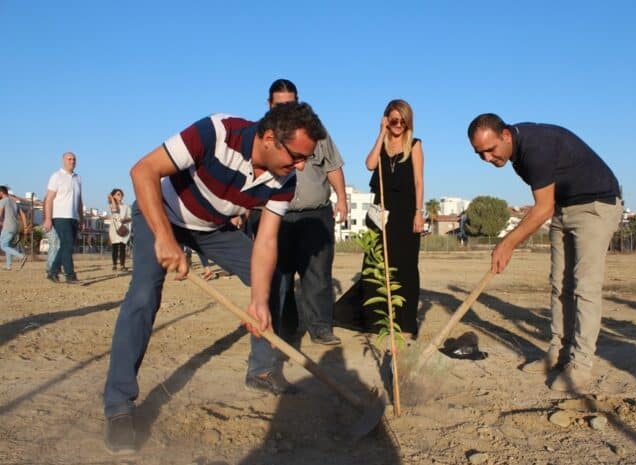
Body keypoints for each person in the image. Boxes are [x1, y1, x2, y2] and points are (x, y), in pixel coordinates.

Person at [102, 102, 326, 455]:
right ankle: (118, 405)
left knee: (274, 279)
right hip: (159, 214)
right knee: (144, 295)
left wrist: (258, 300)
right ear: (269, 138)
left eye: (305, 159)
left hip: (211, 229)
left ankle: (261, 371)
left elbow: (266, 240)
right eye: (297, 156)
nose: (300, 166)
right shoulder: (216, 132)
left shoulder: (286, 178)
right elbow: (142, 171)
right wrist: (164, 237)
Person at [467, 114, 623, 394]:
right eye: (480, 154)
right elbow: (548, 203)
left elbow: (542, 209)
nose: (488, 158)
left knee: (584, 286)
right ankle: (558, 353)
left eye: (490, 150)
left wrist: (507, 243)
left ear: (505, 135)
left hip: (596, 206)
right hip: (564, 208)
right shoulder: (518, 157)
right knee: (559, 284)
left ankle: (581, 365)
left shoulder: (534, 148)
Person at [259, 79, 348, 347]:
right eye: (279, 105)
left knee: (318, 274)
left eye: (291, 104)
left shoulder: (317, 133)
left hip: (315, 215)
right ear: (268, 105)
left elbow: (332, 166)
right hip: (276, 217)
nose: (286, 110)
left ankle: (320, 328)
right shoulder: (262, 135)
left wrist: (342, 198)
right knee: (279, 275)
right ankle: (284, 329)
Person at [335, 99, 425, 336]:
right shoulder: (383, 145)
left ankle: (405, 323)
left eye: (402, 121)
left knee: (405, 268)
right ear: (386, 120)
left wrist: (419, 212)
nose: (398, 125)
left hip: (406, 213)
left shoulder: (414, 145)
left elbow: (418, 182)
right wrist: (380, 133)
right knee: (375, 264)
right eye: (393, 120)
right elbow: (369, 164)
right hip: (381, 213)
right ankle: (376, 322)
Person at [44, 152, 83, 283]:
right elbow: (49, 199)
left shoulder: (78, 178)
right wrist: (48, 218)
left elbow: (79, 200)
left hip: (73, 217)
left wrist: (81, 218)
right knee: (67, 244)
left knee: (67, 246)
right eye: (69, 159)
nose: (72, 161)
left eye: (74, 159)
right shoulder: (56, 176)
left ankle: (53, 272)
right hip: (60, 216)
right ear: (63, 161)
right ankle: (70, 275)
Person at [0, 186, 28, 271]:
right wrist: (25, 226)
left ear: (1, 192)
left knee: (3, 245)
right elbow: (22, 214)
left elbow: (0, 213)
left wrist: (1, 222)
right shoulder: (14, 202)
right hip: (16, 227)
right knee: (8, 245)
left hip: (8, 226)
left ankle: (21, 256)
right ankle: (9, 266)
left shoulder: (2, 201)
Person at [107, 189, 132, 271]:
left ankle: (122, 265)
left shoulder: (126, 206)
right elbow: (115, 210)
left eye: (121, 194)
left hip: (124, 228)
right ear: (114, 196)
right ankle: (114, 264)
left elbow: (130, 217)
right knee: (114, 246)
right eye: (118, 194)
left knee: (122, 247)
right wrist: (111, 198)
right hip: (114, 228)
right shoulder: (111, 205)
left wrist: (125, 220)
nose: (120, 196)